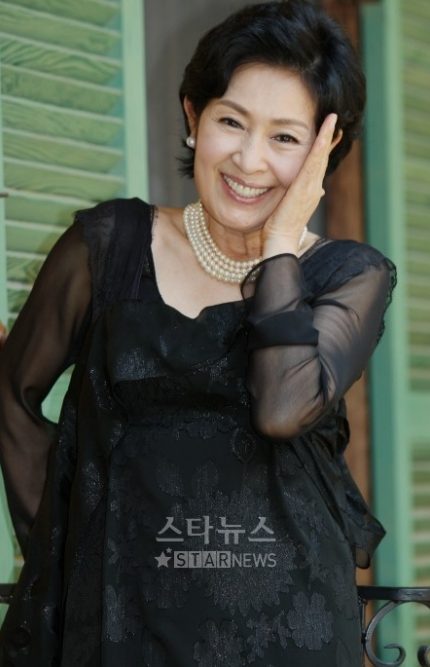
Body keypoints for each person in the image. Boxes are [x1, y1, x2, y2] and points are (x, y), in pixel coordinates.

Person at [0, 1, 395, 665]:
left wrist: (278, 245)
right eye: (231, 121)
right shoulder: (108, 247)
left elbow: (281, 409)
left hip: (290, 632)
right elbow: (12, 394)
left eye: (285, 138)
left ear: (324, 153)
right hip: (123, 628)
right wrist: (71, 549)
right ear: (193, 116)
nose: (249, 159)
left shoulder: (348, 275)